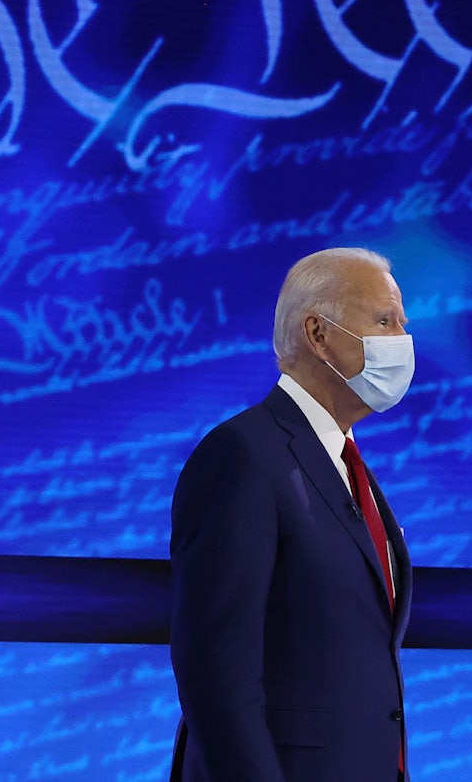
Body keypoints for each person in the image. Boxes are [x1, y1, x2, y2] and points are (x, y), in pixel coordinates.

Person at [169, 247, 414, 781]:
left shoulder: (349, 465)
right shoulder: (241, 455)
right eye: (383, 320)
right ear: (318, 334)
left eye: (402, 323)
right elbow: (216, 673)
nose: (401, 339)